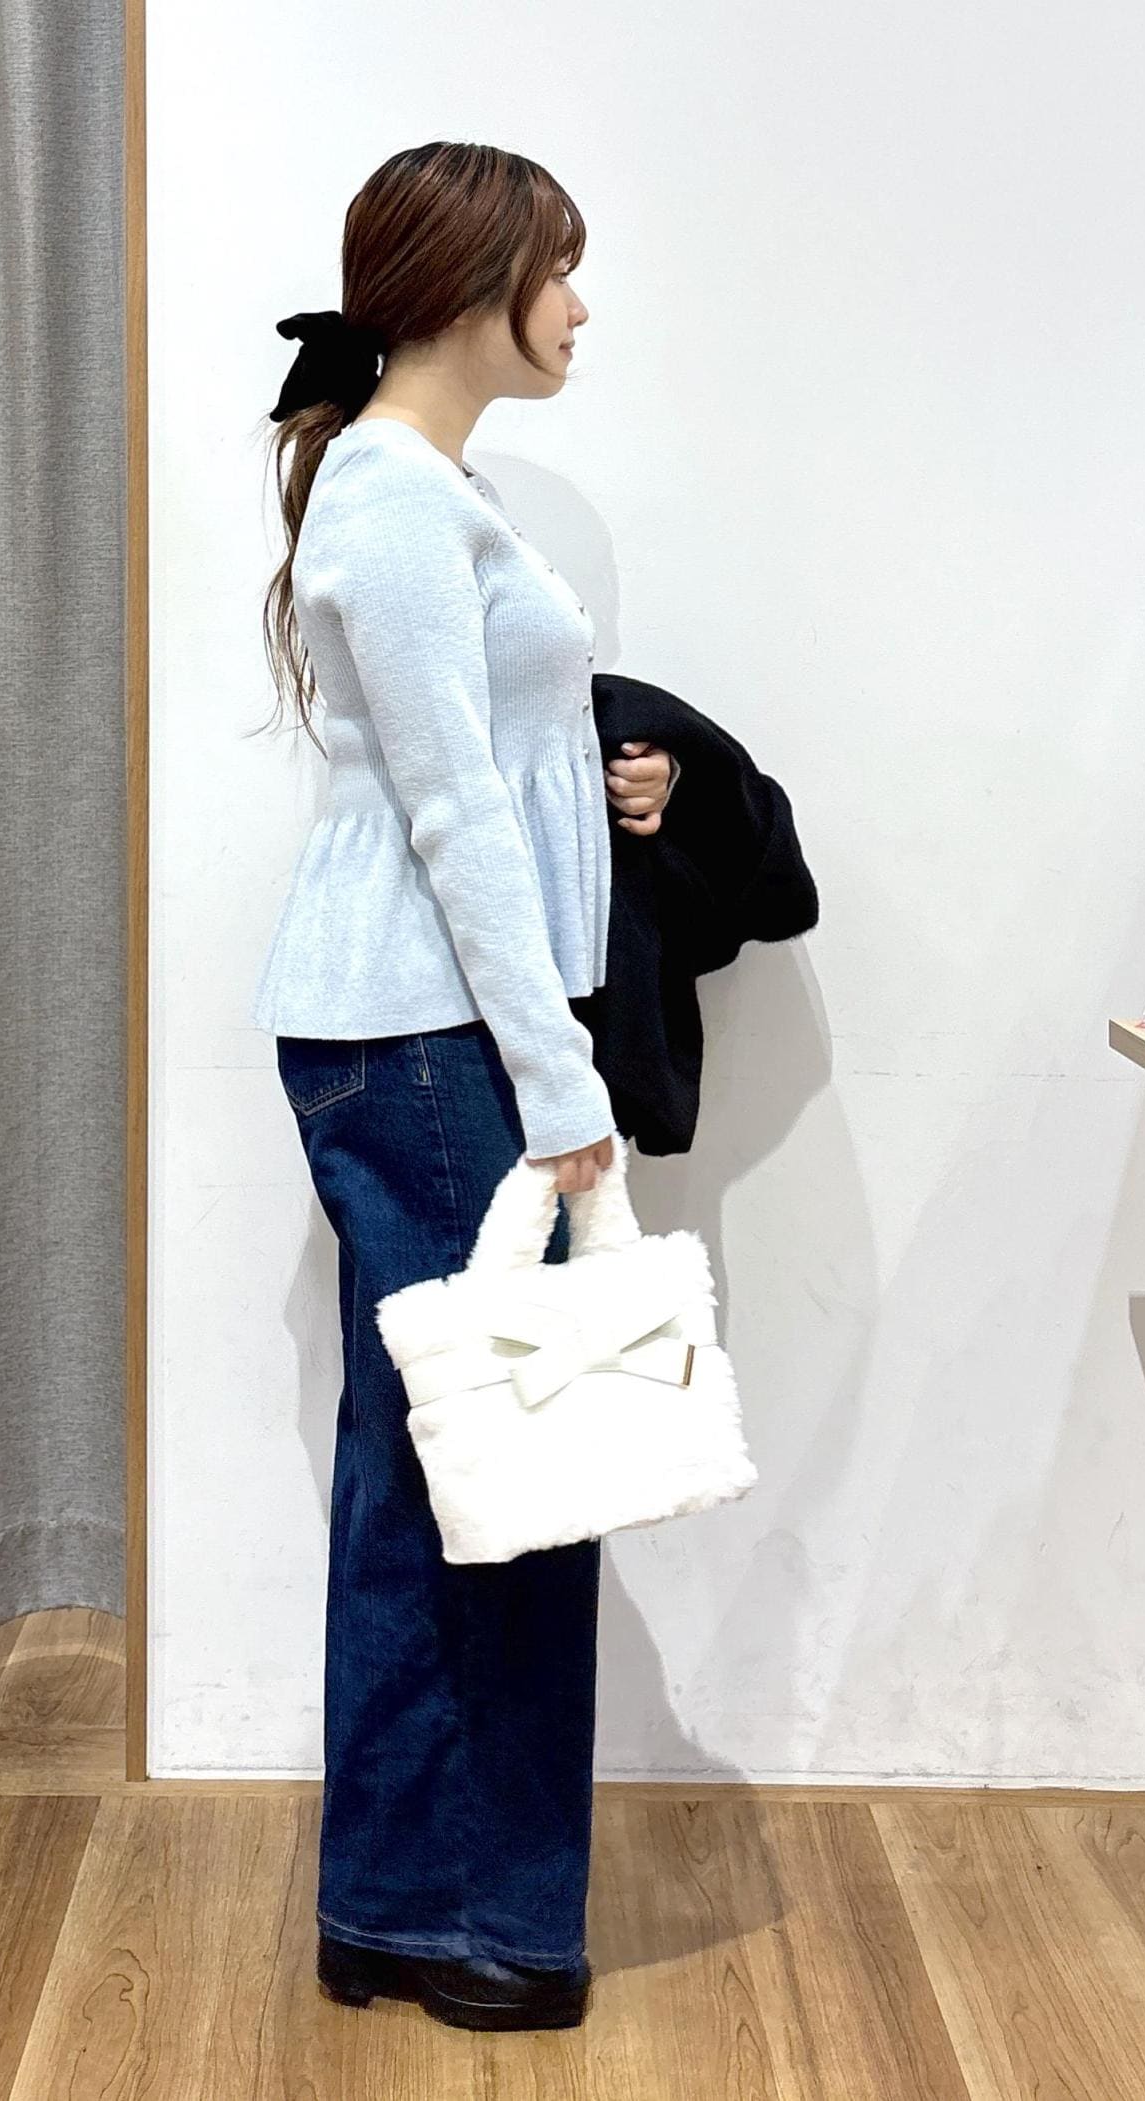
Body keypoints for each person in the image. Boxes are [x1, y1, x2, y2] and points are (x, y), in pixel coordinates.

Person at [250, 140, 678, 2033]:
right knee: (512, 1469)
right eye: (558, 268)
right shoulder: (397, 498)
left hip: (416, 1030)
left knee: (427, 1472)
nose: (581, 305)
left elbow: (488, 765)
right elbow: (447, 814)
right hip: (435, 1039)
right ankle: (486, 1924)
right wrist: (560, 1075)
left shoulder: (422, 488)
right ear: (466, 280)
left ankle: (399, 1906)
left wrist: (622, 779)